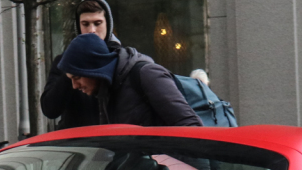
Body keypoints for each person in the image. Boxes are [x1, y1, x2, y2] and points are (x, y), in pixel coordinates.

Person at [53, 33, 202, 128]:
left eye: (77, 77)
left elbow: (190, 127)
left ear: (93, 68)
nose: (74, 86)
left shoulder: (146, 74)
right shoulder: (106, 91)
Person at [40, 0, 122, 129]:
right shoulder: (63, 62)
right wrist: (70, 71)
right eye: (85, 24)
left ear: (108, 25)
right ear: (78, 26)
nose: (92, 30)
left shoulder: (120, 59)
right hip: (78, 143)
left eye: (97, 23)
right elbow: (50, 109)